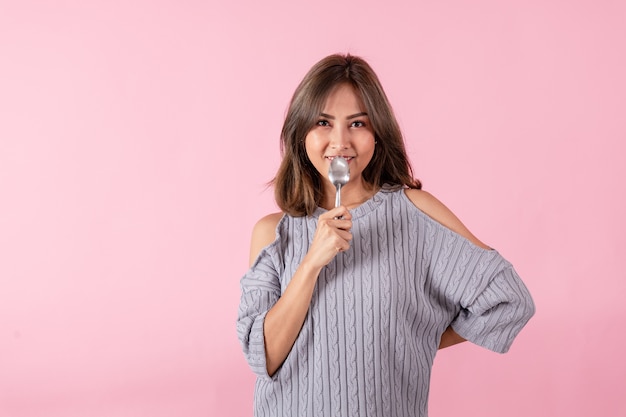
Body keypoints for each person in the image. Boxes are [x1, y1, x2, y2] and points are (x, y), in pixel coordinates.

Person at [236, 53, 535, 417]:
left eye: (357, 123)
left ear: (377, 132)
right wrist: (312, 262)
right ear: (301, 134)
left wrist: (415, 336)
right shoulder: (272, 233)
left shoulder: (415, 214)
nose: (340, 140)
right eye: (323, 122)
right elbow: (261, 356)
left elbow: (508, 299)